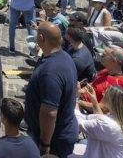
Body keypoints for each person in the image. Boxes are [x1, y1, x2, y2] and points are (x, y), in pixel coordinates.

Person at [24, 22, 79, 158]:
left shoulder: (51, 71)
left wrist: (45, 144)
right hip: (58, 132)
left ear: (41, 38)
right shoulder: (64, 57)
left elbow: (49, 112)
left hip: (54, 140)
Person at [75, 85, 123, 158]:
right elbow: (101, 121)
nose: (102, 93)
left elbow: (78, 122)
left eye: (105, 93)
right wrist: (94, 102)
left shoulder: (109, 125)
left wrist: (75, 97)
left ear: (112, 101)